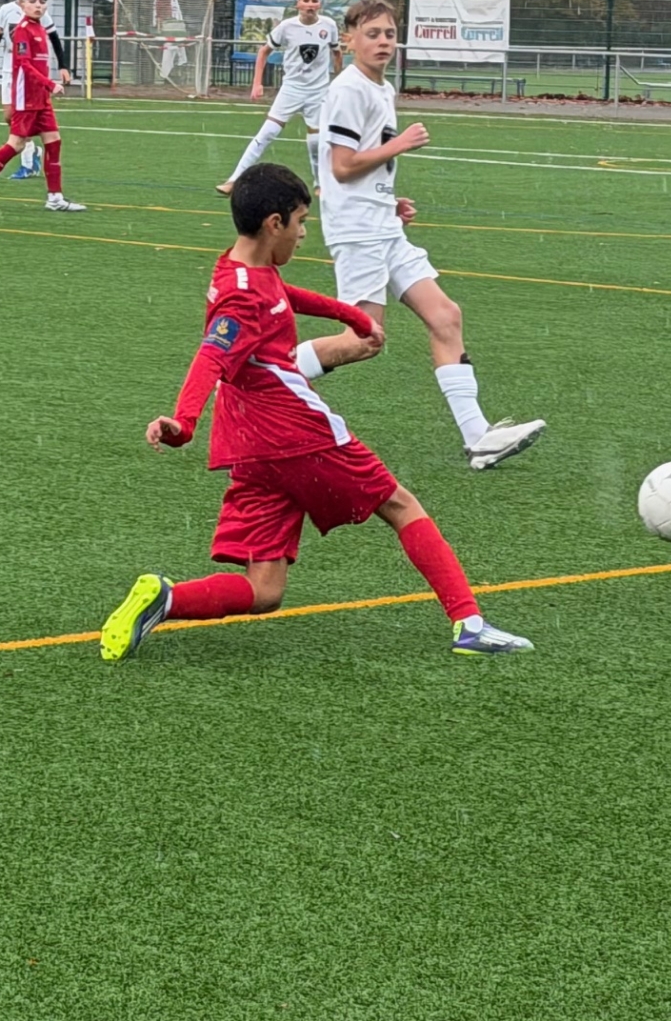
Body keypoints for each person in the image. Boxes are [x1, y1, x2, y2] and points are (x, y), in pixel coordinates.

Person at [99, 162, 534, 661]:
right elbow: (210, 357)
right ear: (274, 223)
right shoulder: (239, 298)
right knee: (400, 506)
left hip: (250, 444)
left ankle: (167, 599)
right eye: (301, 222)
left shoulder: (236, 269)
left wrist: (350, 316)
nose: (304, 234)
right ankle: (469, 624)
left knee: (265, 590)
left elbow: (280, 296)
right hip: (296, 432)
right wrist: (184, 424)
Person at [297, 0, 544, 469]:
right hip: (358, 231)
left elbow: (357, 168)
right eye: (372, 34)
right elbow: (342, 166)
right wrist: (402, 145)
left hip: (381, 225)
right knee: (364, 340)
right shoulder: (348, 90)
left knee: (446, 316)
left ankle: (478, 438)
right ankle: (263, 376)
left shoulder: (381, 89)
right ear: (349, 41)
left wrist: (389, 200)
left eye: (390, 34)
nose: (383, 42)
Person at [0, 0, 85, 212]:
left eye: (42, 2)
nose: (38, 6)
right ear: (23, 4)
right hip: (26, 97)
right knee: (16, 144)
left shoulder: (40, 28)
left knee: (54, 141)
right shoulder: (22, 30)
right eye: (32, 1)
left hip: (41, 98)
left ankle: (55, 197)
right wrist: (50, 83)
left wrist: (49, 83)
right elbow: (24, 65)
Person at [217, 0, 338, 195]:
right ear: (298, 4)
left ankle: (320, 184)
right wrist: (257, 83)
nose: (310, 5)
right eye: (306, 0)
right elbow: (264, 52)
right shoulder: (287, 27)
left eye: (314, 0)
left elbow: (337, 53)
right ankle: (234, 180)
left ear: (320, 4)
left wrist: (338, 81)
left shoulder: (329, 25)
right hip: (291, 89)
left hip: (318, 91)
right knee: (267, 133)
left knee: (316, 141)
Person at [0, 0, 70, 181]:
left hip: (29, 71)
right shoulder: (6, 9)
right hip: (11, 67)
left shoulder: (38, 10)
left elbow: (54, 38)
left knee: (22, 121)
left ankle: (28, 160)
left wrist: (63, 66)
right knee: (10, 117)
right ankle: (30, 152)